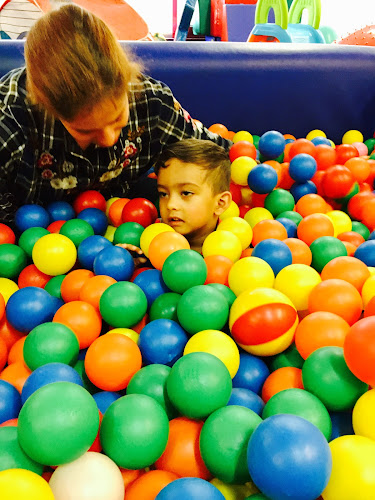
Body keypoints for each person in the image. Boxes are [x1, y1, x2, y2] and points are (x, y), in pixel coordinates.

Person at [0, 4, 230, 227]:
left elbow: (219, 154)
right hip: (34, 238)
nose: (109, 139)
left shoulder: (151, 103)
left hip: (125, 219)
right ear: (47, 109)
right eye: (85, 130)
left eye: (118, 118)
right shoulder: (8, 123)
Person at [154, 138, 232, 254]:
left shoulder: (234, 246)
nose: (170, 205)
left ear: (220, 203)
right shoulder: (152, 241)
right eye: (163, 194)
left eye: (186, 193)